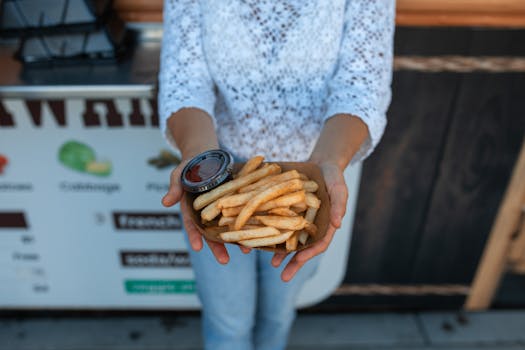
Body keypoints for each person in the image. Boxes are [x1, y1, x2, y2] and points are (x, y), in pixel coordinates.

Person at [159, 1, 395, 349]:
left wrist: (325, 164)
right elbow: (185, 79)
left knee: (278, 314)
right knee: (228, 323)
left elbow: (362, 87)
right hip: (217, 176)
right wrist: (199, 158)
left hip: (315, 179)